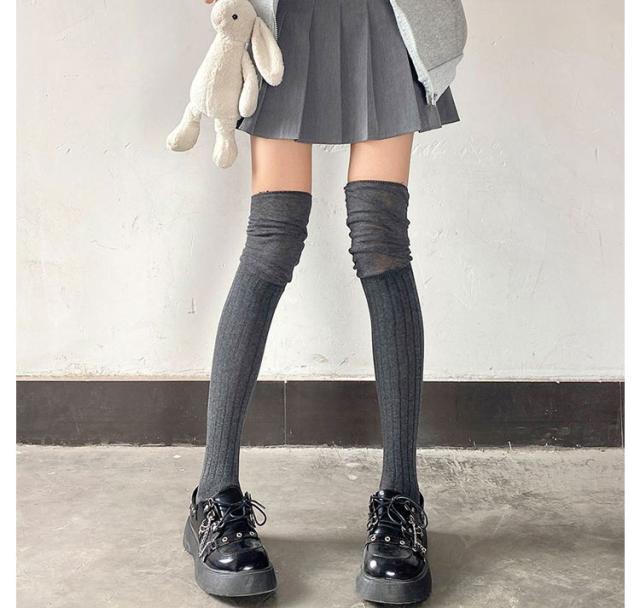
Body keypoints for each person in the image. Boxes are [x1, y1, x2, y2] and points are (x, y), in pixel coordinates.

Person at [182, 0, 466, 603]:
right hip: (282, 21)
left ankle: (401, 499)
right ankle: (214, 493)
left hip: (386, 18)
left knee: (381, 239)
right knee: (272, 240)